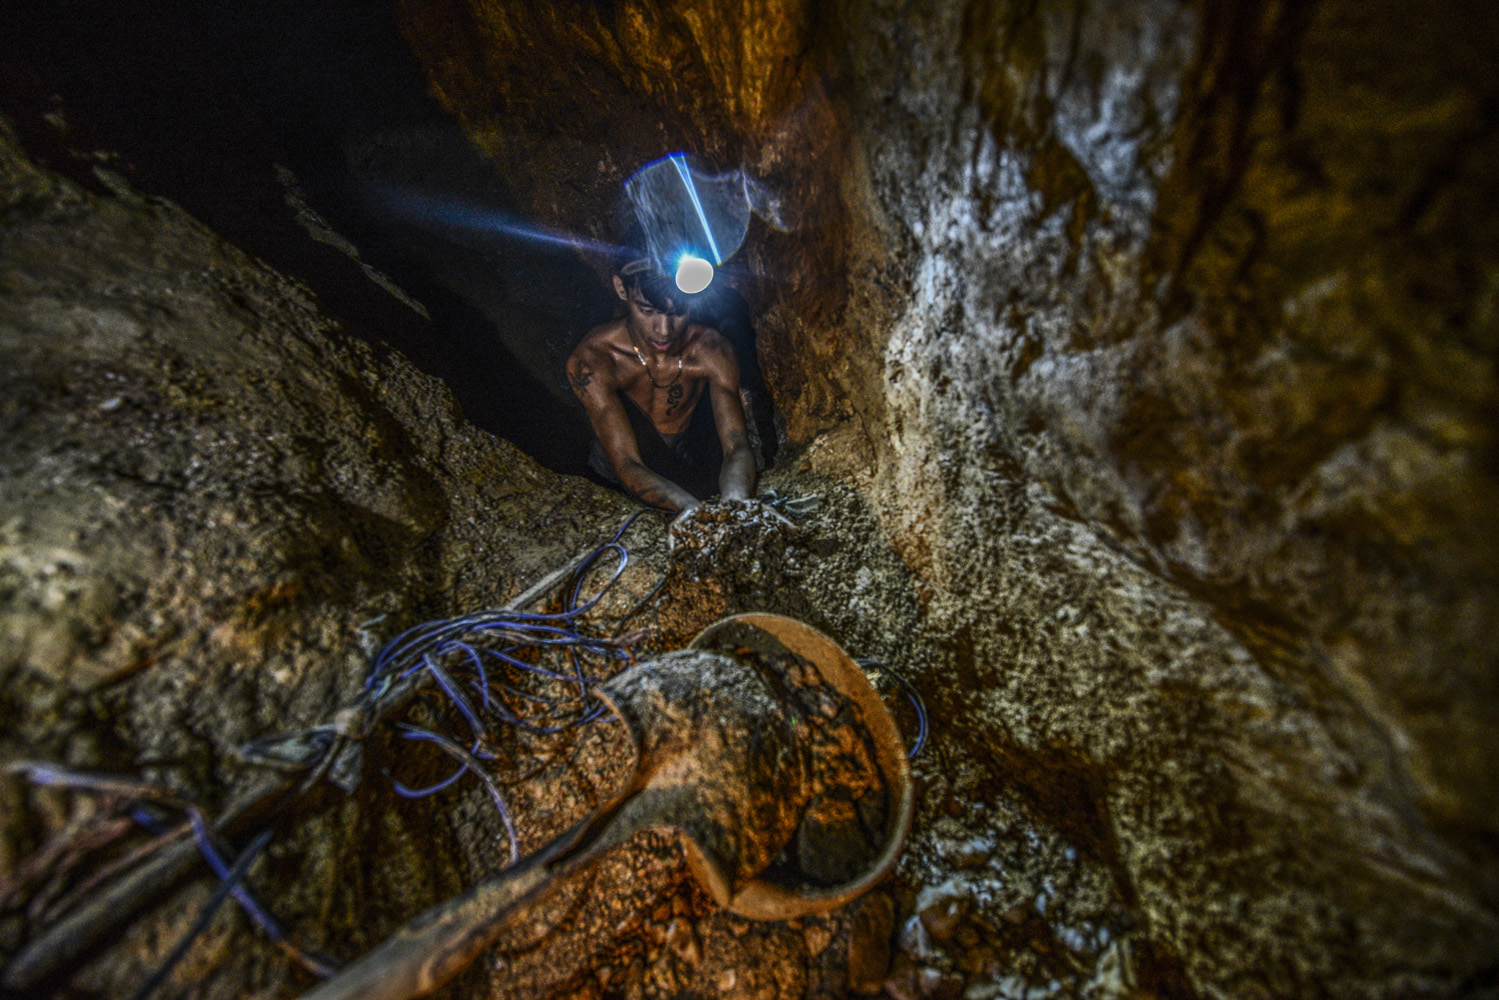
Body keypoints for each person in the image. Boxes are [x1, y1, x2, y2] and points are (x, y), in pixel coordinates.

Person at [566, 253, 756, 512]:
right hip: (612, 475)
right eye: (647, 311)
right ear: (621, 289)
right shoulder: (594, 360)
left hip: (679, 461)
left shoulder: (711, 350)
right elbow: (626, 463)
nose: (664, 330)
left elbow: (736, 445)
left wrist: (735, 502)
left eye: (678, 312)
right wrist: (695, 513)